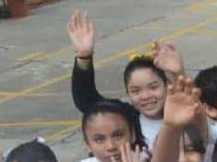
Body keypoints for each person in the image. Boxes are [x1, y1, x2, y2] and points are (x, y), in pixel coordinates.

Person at [68, 12, 185, 148]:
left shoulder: (182, 115)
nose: (146, 96)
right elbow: (86, 100)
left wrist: (179, 74)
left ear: (167, 85)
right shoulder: (127, 117)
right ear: (128, 95)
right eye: (135, 91)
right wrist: (84, 57)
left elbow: (192, 103)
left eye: (153, 87)